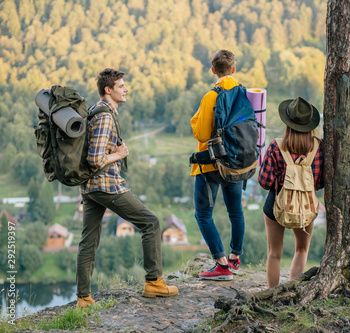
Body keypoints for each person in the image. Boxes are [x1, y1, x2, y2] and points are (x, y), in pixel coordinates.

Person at [76, 68, 178, 308]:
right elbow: (94, 159)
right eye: (121, 86)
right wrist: (119, 154)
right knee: (150, 222)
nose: (126, 89)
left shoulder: (95, 110)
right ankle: (153, 282)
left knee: (88, 240)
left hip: (90, 187)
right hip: (105, 185)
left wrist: (114, 153)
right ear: (108, 90)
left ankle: (83, 298)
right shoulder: (104, 116)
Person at [258, 96, 324, 288]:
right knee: (302, 249)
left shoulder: (276, 147)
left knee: (274, 253)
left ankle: (272, 294)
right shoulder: (319, 148)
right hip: (306, 207)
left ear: (287, 123)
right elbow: (319, 182)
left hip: (276, 205)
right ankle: (292, 291)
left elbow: (264, 182)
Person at [190, 50, 245, 281]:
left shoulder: (210, 96)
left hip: (212, 164)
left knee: (203, 214)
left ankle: (221, 265)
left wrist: (195, 121)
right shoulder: (243, 92)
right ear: (233, 69)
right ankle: (234, 258)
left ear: (213, 70)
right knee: (236, 212)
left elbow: (201, 133)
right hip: (237, 162)